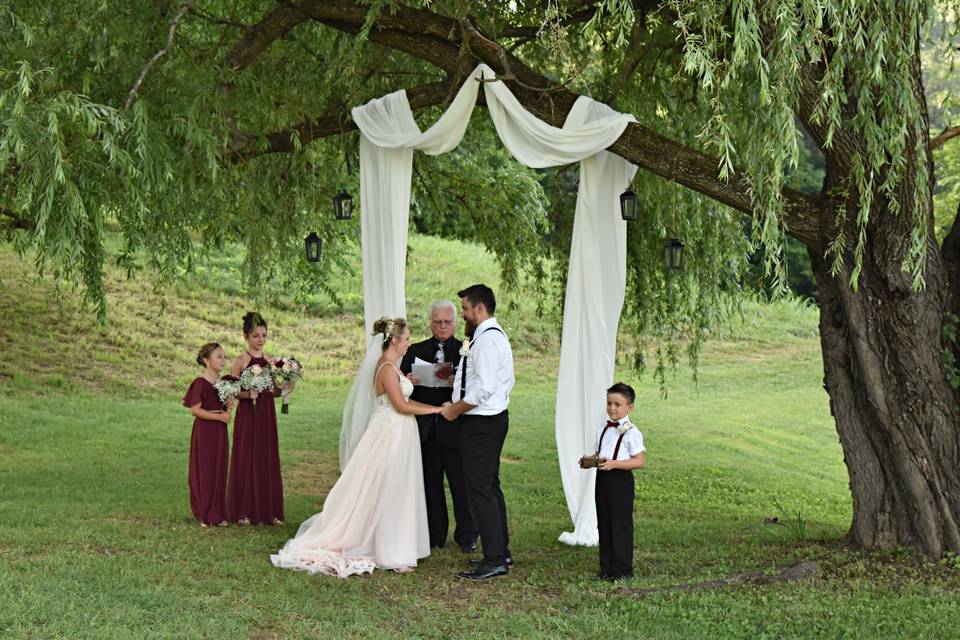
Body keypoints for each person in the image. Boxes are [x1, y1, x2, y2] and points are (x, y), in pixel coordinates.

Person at [271, 317, 440, 577]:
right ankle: (390, 550)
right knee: (390, 486)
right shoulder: (385, 367)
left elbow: (397, 394)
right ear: (394, 340)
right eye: (406, 338)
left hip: (399, 429)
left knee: (395, 485)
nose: (409, 343)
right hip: (392, 430)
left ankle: (394, 544)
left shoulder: (390, 367)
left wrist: (407, 382)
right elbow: (402, 406)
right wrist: (439, 409)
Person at [441, 284, 515, 580]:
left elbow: (483, 388)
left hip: (482, 424)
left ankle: (495, 557)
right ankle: (501, 551)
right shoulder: (489, 337)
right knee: (489, 486)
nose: (464, 315)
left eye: (466, 310)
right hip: (490, 419)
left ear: (480, 309)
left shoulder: (486, 341)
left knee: (480, 490)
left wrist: (453, 410)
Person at [400, 300, 477, 552]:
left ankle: (467, 536)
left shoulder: (467, 350)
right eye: (437, 322)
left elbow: (476, 387)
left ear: (455, 323)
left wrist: (458, 382)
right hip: (425, 429)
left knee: (460, 483)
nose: (442, 326)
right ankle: (434, 535)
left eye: (447, 322)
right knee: (430, 483)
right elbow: (398, 383)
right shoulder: (415, 349)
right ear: (430, 322)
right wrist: (408, 380)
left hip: (455, 428)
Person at [227, 312, 286, 526]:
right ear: (246, 337)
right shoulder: (240, 361)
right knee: (245, 456)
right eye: (255, 336)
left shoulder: (271, 362)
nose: (260, 339)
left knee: (266, 457)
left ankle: (268, 512)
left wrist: (285, 388)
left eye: (263, 335)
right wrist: (246, 394)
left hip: (266, 415)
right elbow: (231, 390)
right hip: (248, 415)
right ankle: (243, 510)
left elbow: (274, 391)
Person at [593, 382, 645, 581]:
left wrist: (614, 464)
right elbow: (601, 453)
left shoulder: (632, 432)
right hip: (602, 479)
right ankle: (606, 568)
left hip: (620, 481)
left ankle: (623, 570)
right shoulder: (603, 429)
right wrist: (591, 459)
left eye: (617, 404)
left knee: (620, 524)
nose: (612, 408)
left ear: (629, 407)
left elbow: (639, 461)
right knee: (604, 523)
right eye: (609, 403)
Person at [182, 342, 232, 527]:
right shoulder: (200, 383)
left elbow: (220, 405)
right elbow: (195, 410)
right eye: (218, 356)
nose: (223, 359)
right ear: (206, 360)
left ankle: (217, 511)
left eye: (224, 356)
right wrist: (218, 417)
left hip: (220, 431)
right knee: (205, 468)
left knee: (219, 468)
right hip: (205, 431)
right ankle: (203, 512)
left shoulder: (222, 384)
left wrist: (226, 407)